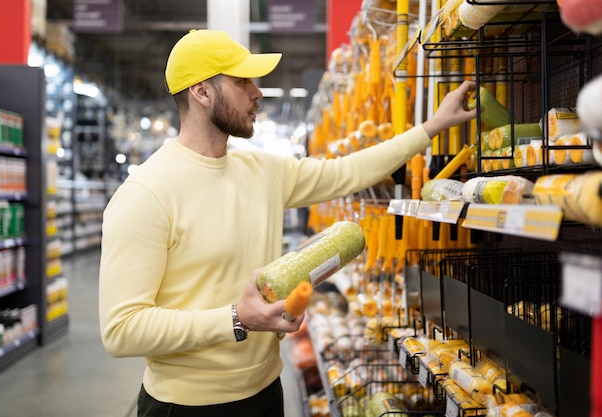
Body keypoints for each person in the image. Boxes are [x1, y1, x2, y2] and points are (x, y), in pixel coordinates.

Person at [98, 29, 476, 417]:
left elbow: (346, 172)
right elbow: (121, 329)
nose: (257, 92)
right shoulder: (146, 193)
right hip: (185, 406)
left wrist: (431, 127)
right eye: (242, 81)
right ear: (202, 92)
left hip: (265, 393)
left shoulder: (261, 170)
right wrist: (235, 319)